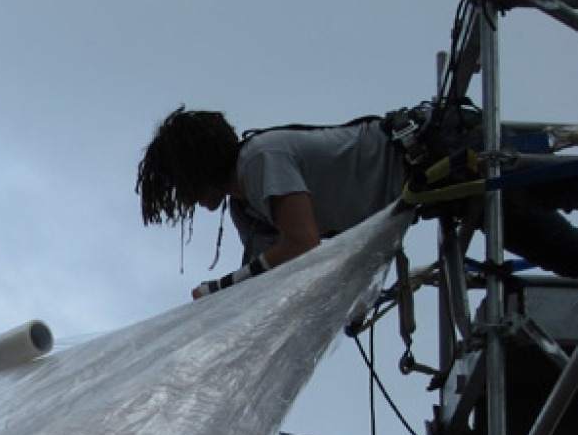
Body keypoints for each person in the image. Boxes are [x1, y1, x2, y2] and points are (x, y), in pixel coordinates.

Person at [136, 106, 578, 299]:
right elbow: (270, 273)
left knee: (562, 190)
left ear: (198, 166)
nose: (188, 199)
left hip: (453, 154)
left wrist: (218, 288)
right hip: (449, 191)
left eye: (183, 186)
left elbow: (302, 243)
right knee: (566, 253)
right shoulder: (247, 207)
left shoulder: (261, 159)